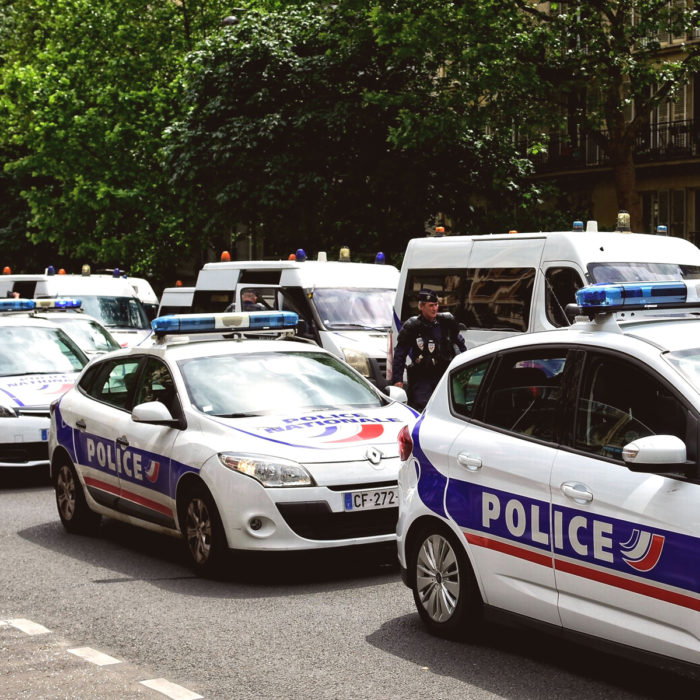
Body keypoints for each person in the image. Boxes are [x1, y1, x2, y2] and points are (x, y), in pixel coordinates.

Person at [391, 289, 466, 411]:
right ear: (421, 306)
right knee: (422, 408)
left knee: (449, 408)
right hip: (422, 377)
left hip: (443, 374)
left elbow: (461, 345)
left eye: (436, 305)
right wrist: (398, 380)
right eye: (431, 305)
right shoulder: (412, 326)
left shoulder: (446, 322)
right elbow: (400, 353)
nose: (434, 309)